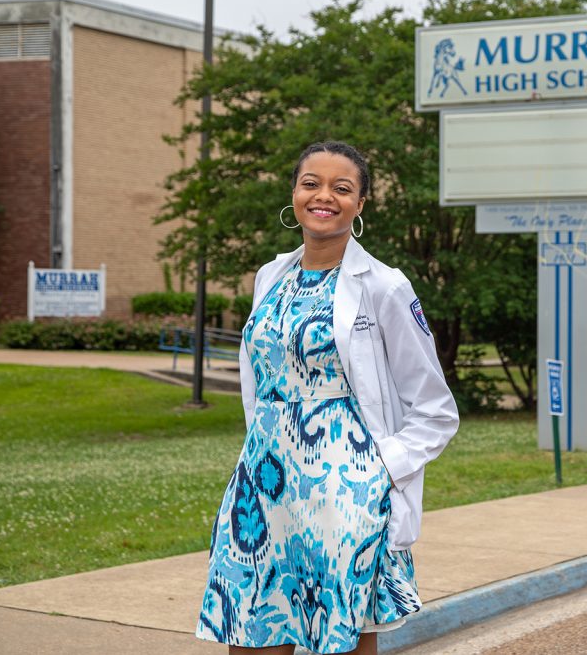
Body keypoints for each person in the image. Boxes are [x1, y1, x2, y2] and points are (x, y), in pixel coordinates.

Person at [196, 141, 459, 655]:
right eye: (311, 183)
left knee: (337, 642)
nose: (324, 197)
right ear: (293, 193)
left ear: (361, 204)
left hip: (345, 495)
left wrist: (379, 470)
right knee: (247, 632)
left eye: (343, 188)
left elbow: (436, 409)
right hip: (262, 487)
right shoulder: (270, 277)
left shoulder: (384, 286)